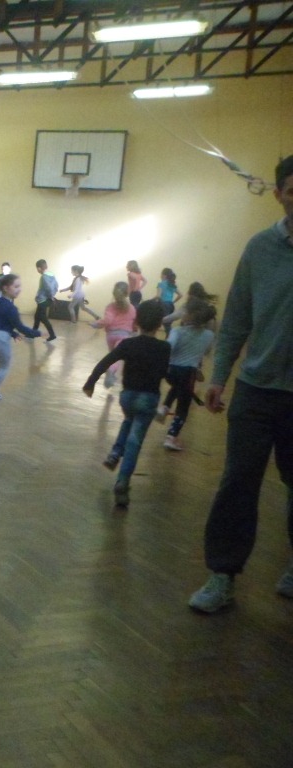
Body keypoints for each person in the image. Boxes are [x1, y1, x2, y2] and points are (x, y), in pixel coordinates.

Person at [188, 154, 293, 614]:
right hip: (256, 389)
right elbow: (236, 319)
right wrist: (219, 376)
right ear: (279, 195)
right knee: (238, 483)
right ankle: (222, 575)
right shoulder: (260, 248)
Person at [83, 300, 171, 508]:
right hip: (148, 399)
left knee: (129, 419)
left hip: (127, 397)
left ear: (136, 321)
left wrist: (90, 383)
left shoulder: (128, 344)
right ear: (160, 324)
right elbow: (165, 374)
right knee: (135, 442)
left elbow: (105, 362)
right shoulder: (164, 348)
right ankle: (123, 481)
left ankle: (115, 453)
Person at [157, 298, 216, 451]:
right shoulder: (209, 335)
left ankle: (164, 407)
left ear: (188, 315)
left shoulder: (177, 331)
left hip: (170, 371)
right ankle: (171, 437)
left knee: (177, 386)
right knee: (183, 406)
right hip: (188, 373)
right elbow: (207, 352)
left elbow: (169, 347)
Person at [90, 281, 137, 389]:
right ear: (127, 293)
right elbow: (135, 325)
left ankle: (111, 377)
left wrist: (96, 324)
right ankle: (110, 372)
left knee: (113, 357)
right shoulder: (132, 308)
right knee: (119, 358)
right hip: (124, 336)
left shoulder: (110, 307)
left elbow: (107, 321)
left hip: (111, 336)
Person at [32, 259, 58, 342]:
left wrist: (50, 296)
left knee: (43, 318)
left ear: (39, 268)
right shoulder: (52, 275)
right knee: (37, 316)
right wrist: (52, 295)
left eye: (37, 269)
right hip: (46, 299)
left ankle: (52, 335)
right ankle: (33, 334)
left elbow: (48, 288)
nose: (37, 270)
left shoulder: (44, 277)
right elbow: (56, 286)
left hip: (43, 300)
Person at [156, 268, 183, 335]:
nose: (160, 276)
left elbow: (158, 296)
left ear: (164, 276)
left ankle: (170, 337)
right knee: (168, 323)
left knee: (166, 325)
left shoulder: (161, 284)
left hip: (163, 305)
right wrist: (173, 302)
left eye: (161, 274)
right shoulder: (172, 284)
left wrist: (151, 300)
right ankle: (168, 336)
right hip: (171, 305)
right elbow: (180, 295)